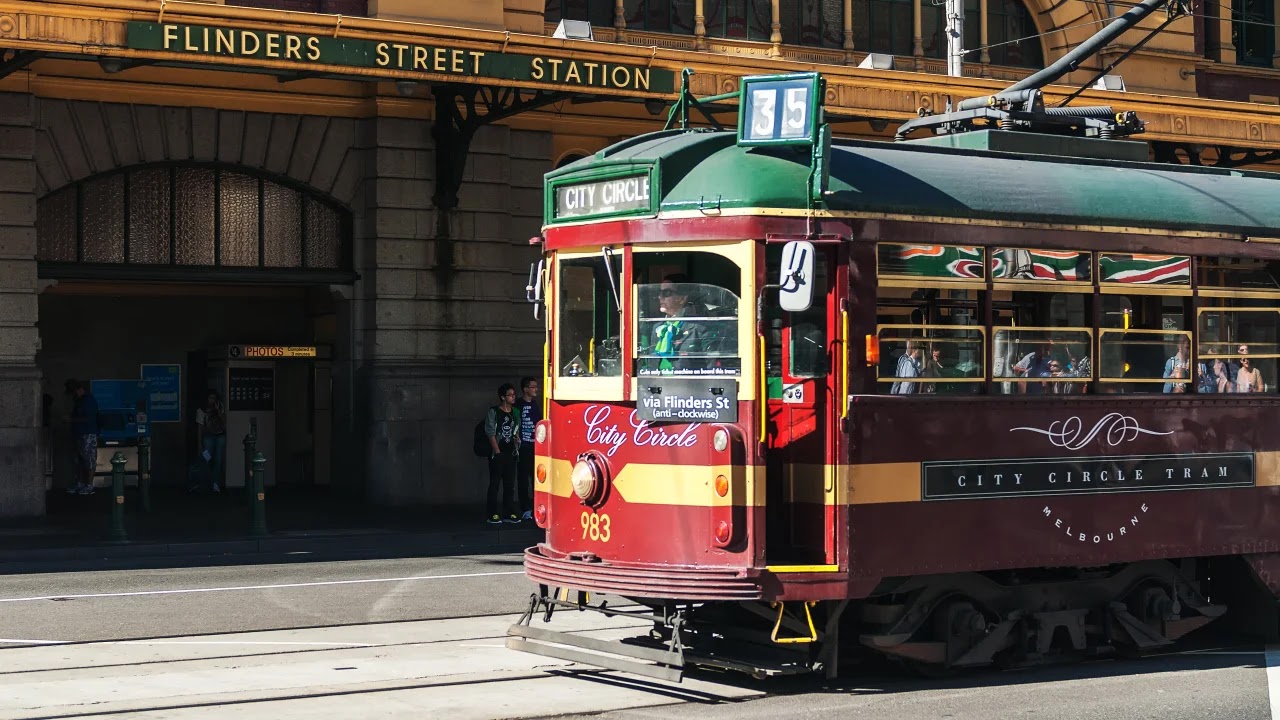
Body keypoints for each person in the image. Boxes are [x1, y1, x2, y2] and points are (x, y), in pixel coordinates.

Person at [652, 274, 709, 372]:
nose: (660, 297)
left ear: (682, 298)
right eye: (659, 293)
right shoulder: (657, 327)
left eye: (666, 293)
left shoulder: (699, 328)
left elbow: (711, 369)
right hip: (658, 385)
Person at [485, 383, 521, 525]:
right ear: (503, 397)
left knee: (509, 484)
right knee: (494, 484)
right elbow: (490, 432)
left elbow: (516, 428)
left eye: (514, 394)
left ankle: (509, 512)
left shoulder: (515, 412)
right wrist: (497, 451)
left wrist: (517, 440)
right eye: (510, 395)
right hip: (498, 452)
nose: (513, 397)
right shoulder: (494, 411)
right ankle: (492, 513)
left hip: (511, 451)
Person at [514, 377, 542, 522]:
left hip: (535, 446)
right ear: (525, 389)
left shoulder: (535, 405)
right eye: (533, 387)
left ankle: (537, 507)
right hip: (523, 447)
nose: (536, 389)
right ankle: (525, 509)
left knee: (537, 479)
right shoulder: (519, 404)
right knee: (523, 479)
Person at [64, 379, 98, 496]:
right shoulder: (79, 400)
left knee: (89, 459)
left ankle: (89, 485)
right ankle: (81, 483)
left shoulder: (88, 400)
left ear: (78, 390)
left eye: (73, 392)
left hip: (87, 433)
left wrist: (71, 420)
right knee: (79, 460)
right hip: (79, 434)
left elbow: (88, 419)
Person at [194, 390, 227, 493]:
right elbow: (200, 427)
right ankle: (206, 484)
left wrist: (218, 411)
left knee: (218, 461)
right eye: (210, 398)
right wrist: (199, 444)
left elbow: (224, 423)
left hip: (219, 437)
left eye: (214, 398)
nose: (212, 400)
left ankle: (216, 485)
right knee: (206, 459)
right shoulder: (201, 410)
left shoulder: (220, 408)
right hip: (207, 437)